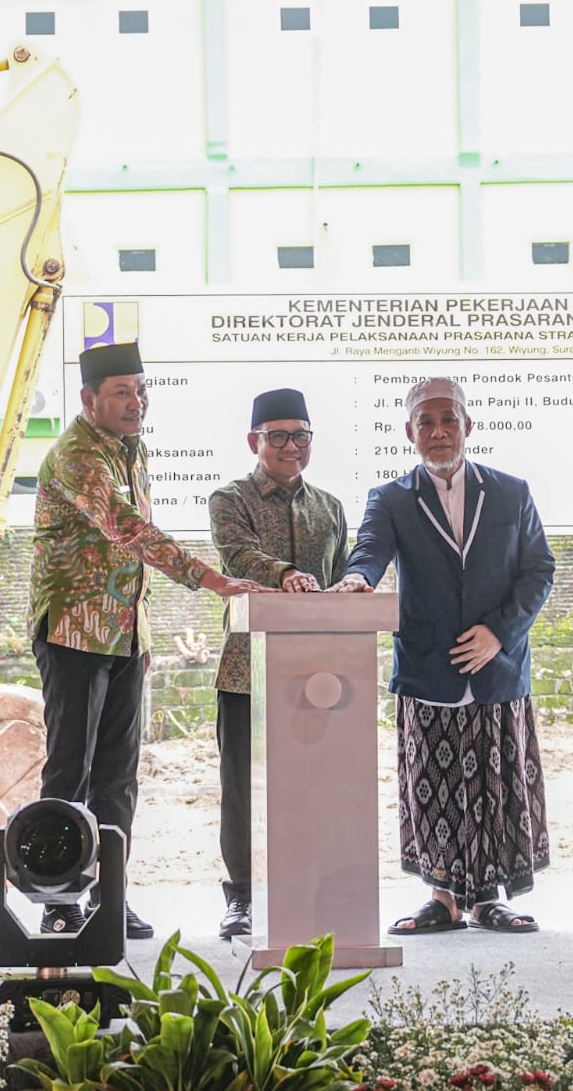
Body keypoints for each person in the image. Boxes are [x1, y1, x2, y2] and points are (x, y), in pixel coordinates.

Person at [30, 341, 271, 939]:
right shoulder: (77, 456)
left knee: (118, 776)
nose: (136, 402)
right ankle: (60, 900)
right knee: (70, 774)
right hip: (73, 634)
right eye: (121, 392)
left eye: (141, 391)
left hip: (125, 637)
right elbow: (126, 527)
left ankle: (109, 896)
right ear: (89, 399)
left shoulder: (130, 452)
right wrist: (206, 576)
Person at [331, 376, 556, 935]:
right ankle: (442, 899)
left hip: (496, 668)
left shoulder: (512, 492)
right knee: (433, 781)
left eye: (447, 420)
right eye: (425, 423)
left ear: (467, 426)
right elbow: (369, 552)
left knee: (493, 784)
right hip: (428, 667)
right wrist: (358, 580)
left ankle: (487, 899)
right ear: (409, 432)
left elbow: (538, 571)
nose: (437, 432)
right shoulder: (390, 498)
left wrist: (499, 634)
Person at [207, 388, 349, 940]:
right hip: (247, 670)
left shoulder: (331, 507)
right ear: (255, 441)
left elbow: (338, 578)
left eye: (301, 435)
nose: (292, 446)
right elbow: (238, 555)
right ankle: (241, 896)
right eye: (279, 436)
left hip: (320, 677)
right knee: (242, 787)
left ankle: (313, 890)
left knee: (315, 786)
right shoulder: (230, 498)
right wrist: (286, 572)